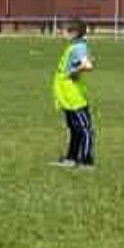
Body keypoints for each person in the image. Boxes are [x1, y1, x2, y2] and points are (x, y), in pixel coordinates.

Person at [52, 19, 95, 168]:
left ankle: (86, 160)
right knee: (74, 128)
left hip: (74, 96)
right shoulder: (75, 47)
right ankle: (72, 158)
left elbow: (88, 65)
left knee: (84, 128)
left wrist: (73, 72)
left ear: (73, 33)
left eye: (64, 31)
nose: (61, 34)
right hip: (67, 96)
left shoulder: (78, 47)